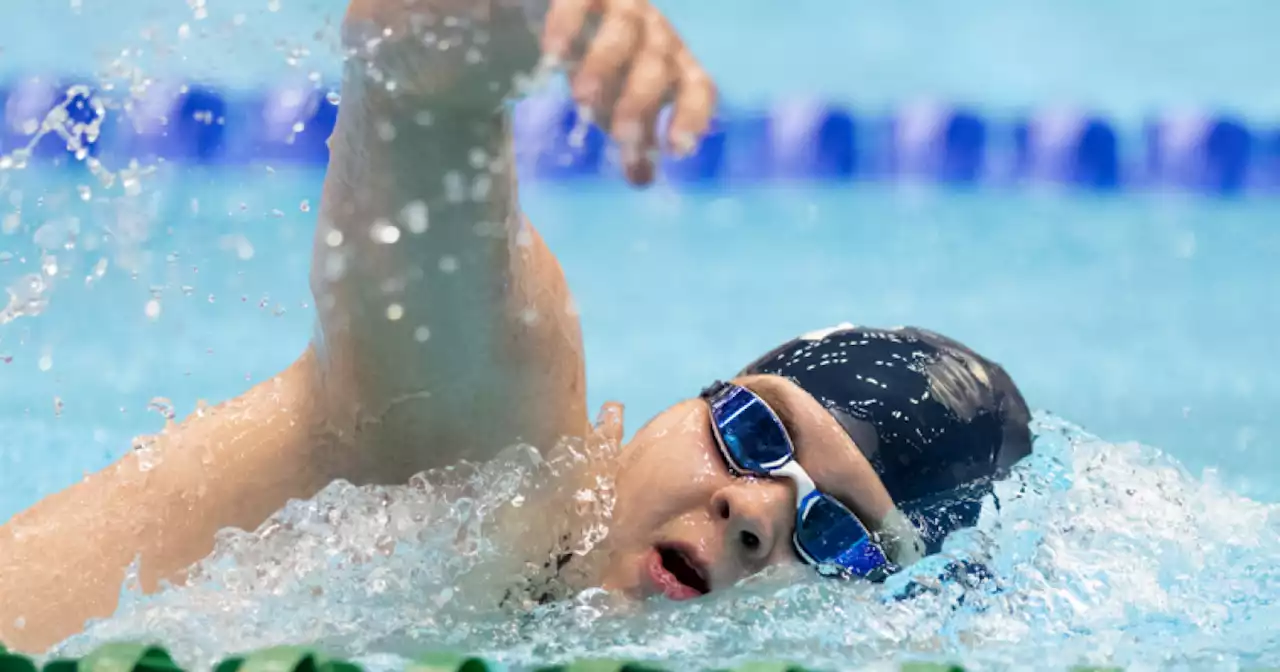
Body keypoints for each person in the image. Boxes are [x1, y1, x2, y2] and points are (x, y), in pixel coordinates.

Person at [0, 0, 1032, 654]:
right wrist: (513, 19)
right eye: (755, 434)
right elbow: (407, 72)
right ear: (691, 402)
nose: (751, 515)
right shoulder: (477, 452)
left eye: (837, 535)